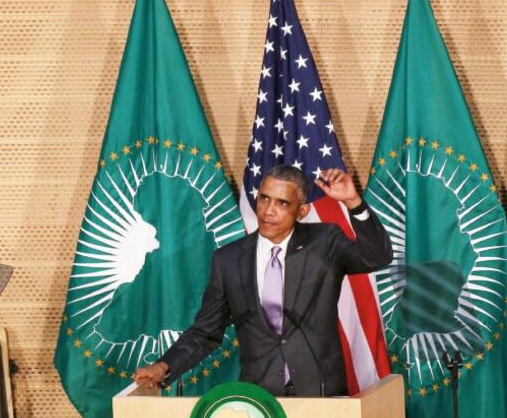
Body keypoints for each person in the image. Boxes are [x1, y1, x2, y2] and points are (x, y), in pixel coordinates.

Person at [133, 165, 392, 397]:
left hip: (320, 392)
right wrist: (164, 365)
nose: (268, 211)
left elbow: (376, 258)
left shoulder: (324, 242)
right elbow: (206, 331)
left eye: (282, 203)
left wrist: (353, 202)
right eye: (264, 198)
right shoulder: (228, 260)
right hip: (259, 396)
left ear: (301, 211)